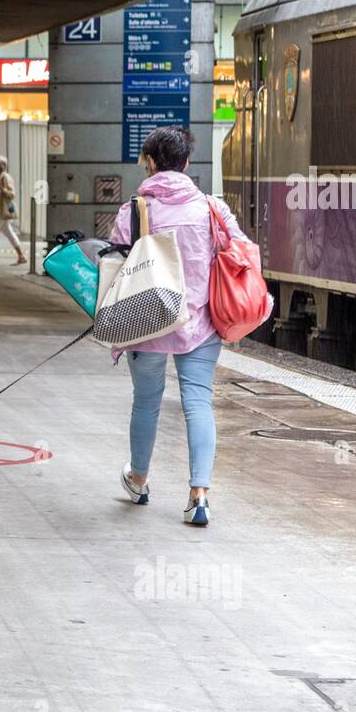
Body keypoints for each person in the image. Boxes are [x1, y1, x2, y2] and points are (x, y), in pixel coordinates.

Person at [113, 126, 247, 527]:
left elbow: (118, 260)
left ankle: (138, 478)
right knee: (198, 401)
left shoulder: (134, 210)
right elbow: (238, 250)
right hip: (200, 322)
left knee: (146, 402)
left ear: (151, 163)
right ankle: (198, 495)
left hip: (146, 322)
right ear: (187, 163)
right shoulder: (210, 208)